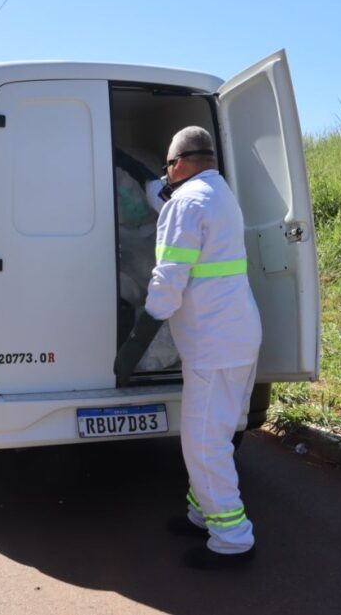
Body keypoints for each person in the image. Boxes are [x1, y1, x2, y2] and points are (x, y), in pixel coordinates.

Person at [115, 126, 263, 570]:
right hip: (236, 335)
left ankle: (232, 538)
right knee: (215, 435)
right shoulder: (219, 194)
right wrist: (137, 170)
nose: (166, 177)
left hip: (215, 345)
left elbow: (168, 281)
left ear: (178, 164)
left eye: (168, 168)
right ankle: (203, 515)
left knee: (203, 445)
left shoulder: (187, 204)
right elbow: (163, 198)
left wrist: (135, 342)